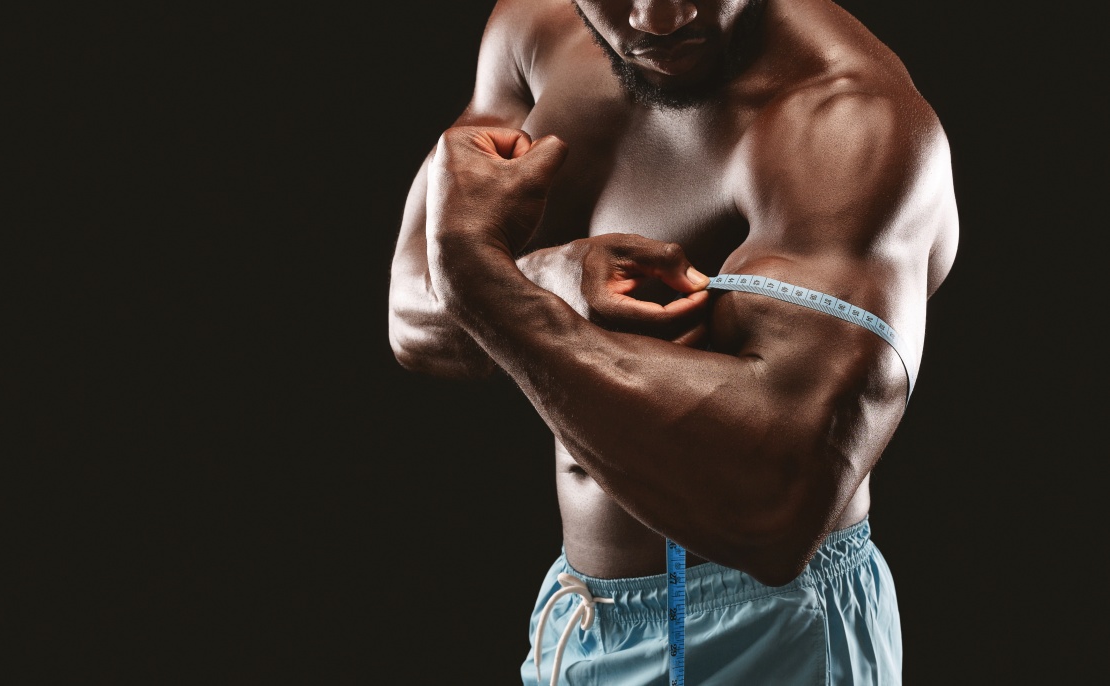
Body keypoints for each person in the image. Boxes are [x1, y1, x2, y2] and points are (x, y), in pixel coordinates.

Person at [386, 0, 958, 683]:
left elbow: (773, 509)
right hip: (581, 617)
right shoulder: (530, 35)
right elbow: (414, 315)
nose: (657, 19)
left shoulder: (851, 124)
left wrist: (491, 285)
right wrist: (552, 280)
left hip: (767, 629)